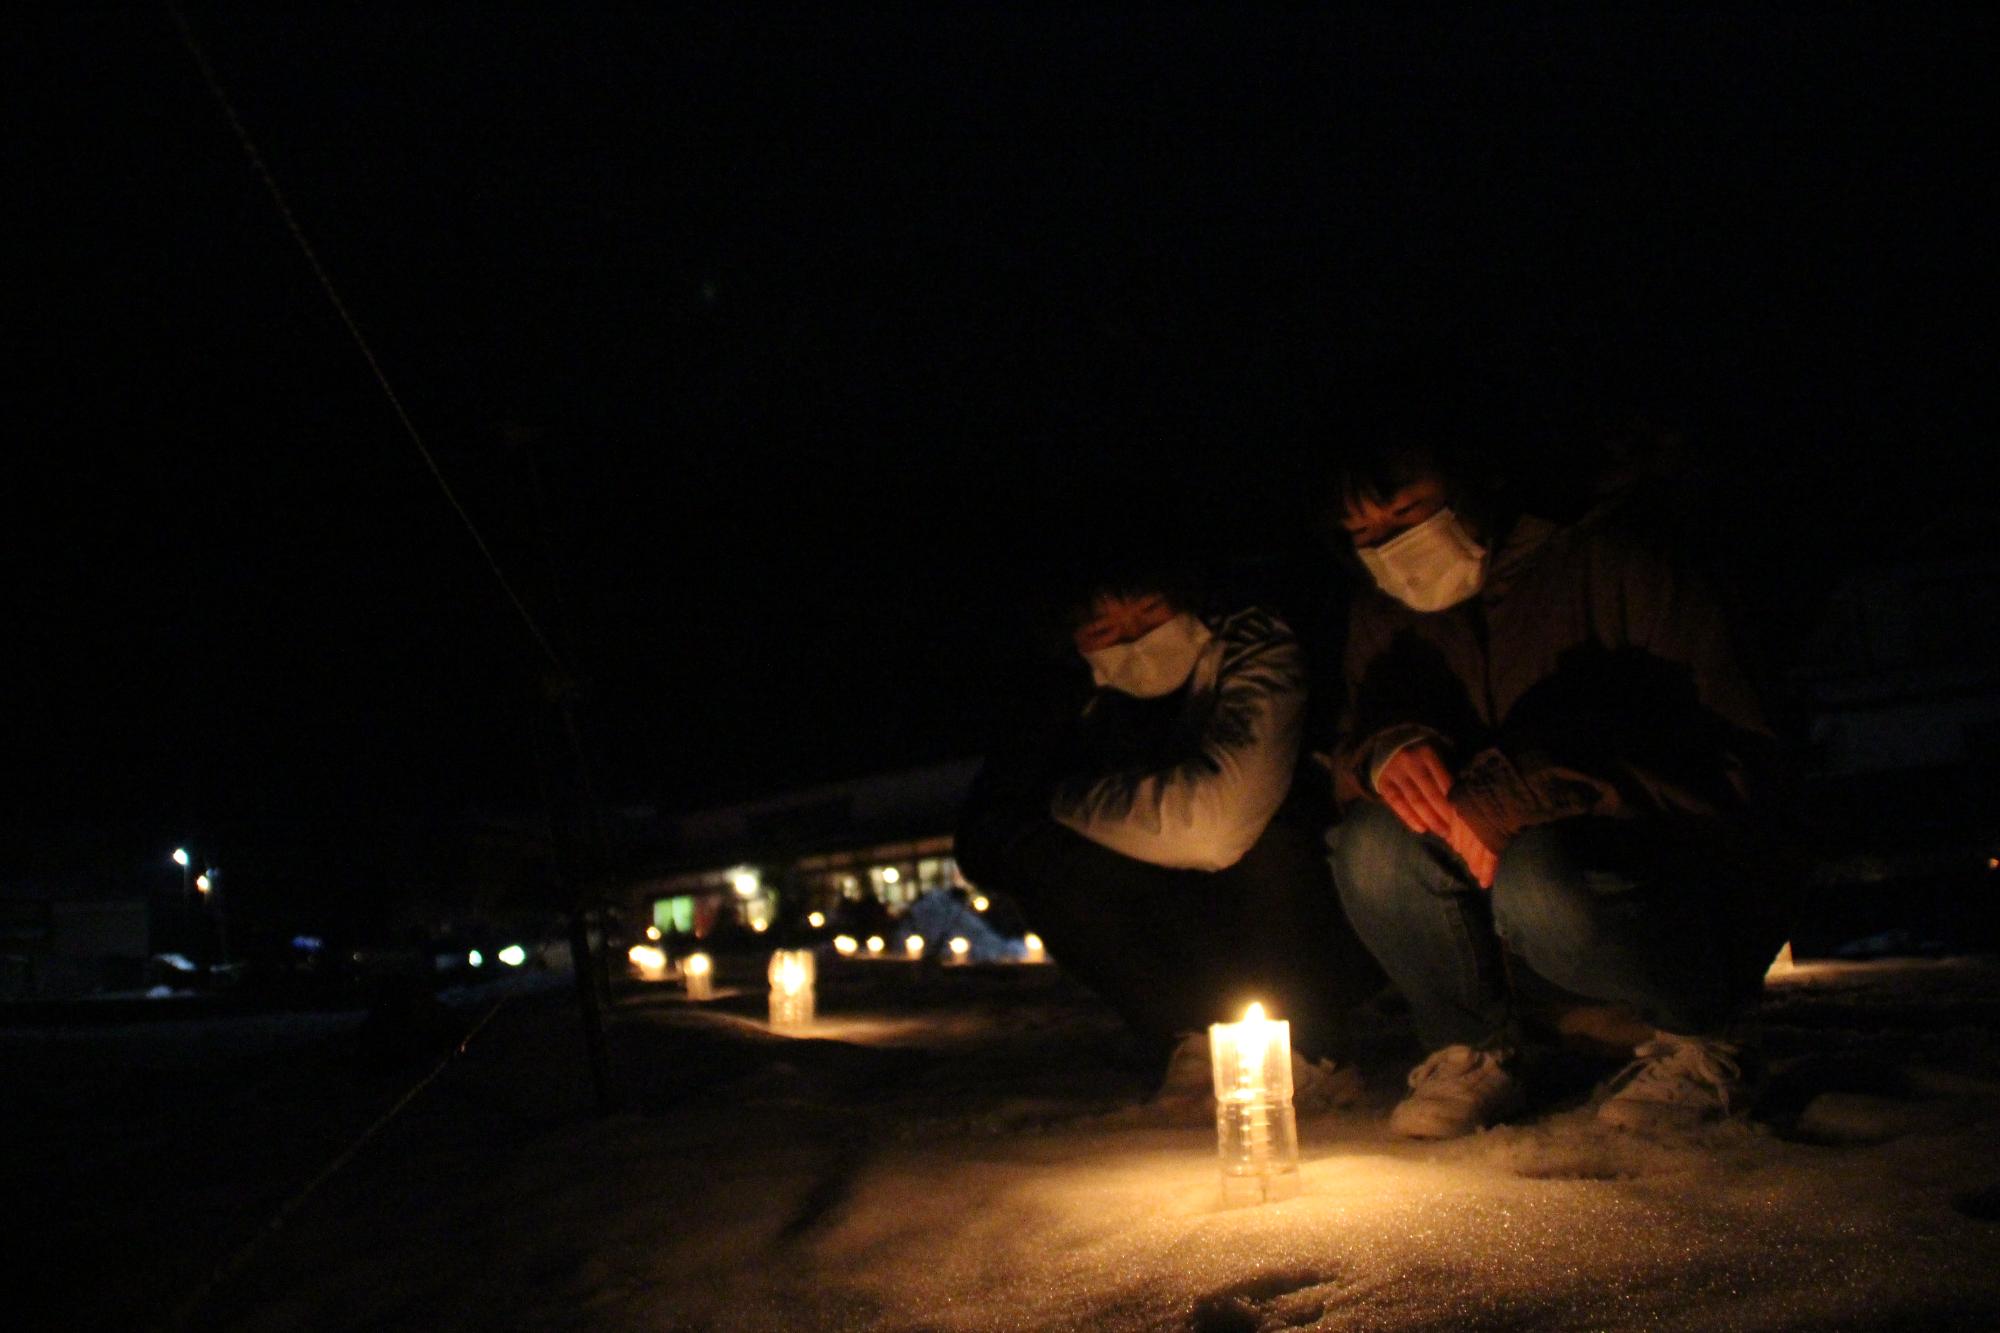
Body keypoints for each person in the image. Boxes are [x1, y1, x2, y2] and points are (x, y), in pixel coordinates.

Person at [1322, 434, 1795, 1138]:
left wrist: (1529, 786)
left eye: (1406, 513)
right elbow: (1350, 746)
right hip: (1504, 900)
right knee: (1369, 844)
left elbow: (1743, 762)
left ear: (1473, 480)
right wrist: (1381, 755)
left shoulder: (1624, 557)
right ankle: (1474, 1049)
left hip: (1665, 879)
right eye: (1363, 533)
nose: (1389, 547)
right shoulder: (1383, 612)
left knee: (1541, 878)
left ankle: (1703, 1033)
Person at [953, 545, 1383, 1084]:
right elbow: (985, 830)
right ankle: (1185, 1037)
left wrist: (1062, 802)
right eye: (1104, 631)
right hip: (1163, 920)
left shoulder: (1247, 646)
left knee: (1267, 843)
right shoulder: (1057, 698)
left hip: (1297, 907)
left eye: (1151, 614)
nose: (1135, 642)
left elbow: (1219, 827)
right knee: (1047, 863)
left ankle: (1310, 1043)